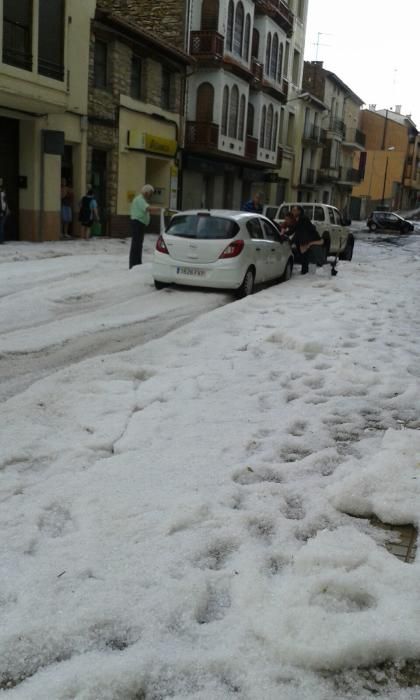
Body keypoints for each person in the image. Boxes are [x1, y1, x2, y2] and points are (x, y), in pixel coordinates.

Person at [289, 205, 326, 274]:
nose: (292, 212)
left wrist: (290, 240)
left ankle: (330, 272)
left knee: (320, 258)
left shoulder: (303, 219)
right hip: (307, 242)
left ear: (299, 211)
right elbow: (296, 231)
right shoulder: (298, 219)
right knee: (306, 257)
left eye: (294, 210)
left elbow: (296, 231)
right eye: (292, 210)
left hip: (314, 241)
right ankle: (306, 272)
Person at [129, 184, 155, 269]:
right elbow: (148, 208)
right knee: (136, 244)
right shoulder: (140, 200)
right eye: (150, 193)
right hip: (137, 223)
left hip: (140, 224)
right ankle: (134, 264)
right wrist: (160, 209)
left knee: (138, 244)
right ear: (146, 192)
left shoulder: (142, 200)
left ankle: (137, 263)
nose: (151, 195)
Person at [0, 178, 9, 245]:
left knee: (2, 226)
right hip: (2, 211)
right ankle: (1, 240)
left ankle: (2, 240)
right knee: (1, 226)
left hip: (3, 211)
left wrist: (7, 209)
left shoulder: (3, 190)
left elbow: (5, 201)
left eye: (1, 181)